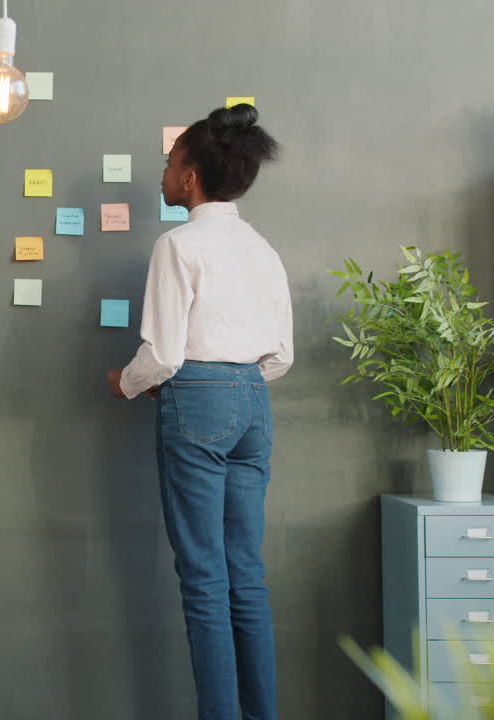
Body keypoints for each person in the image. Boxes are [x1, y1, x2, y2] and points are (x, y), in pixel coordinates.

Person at [106, 104, 290, 720]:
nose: (163, 173)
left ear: (190, 178)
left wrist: (126, 384)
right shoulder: (263, 248)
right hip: (253, 399)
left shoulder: (178, 244)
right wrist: (227, 381)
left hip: (198, 400)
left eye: (168, 163)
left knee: (205, 579)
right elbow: (280, 357)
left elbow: (160, 354)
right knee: (246, 573)